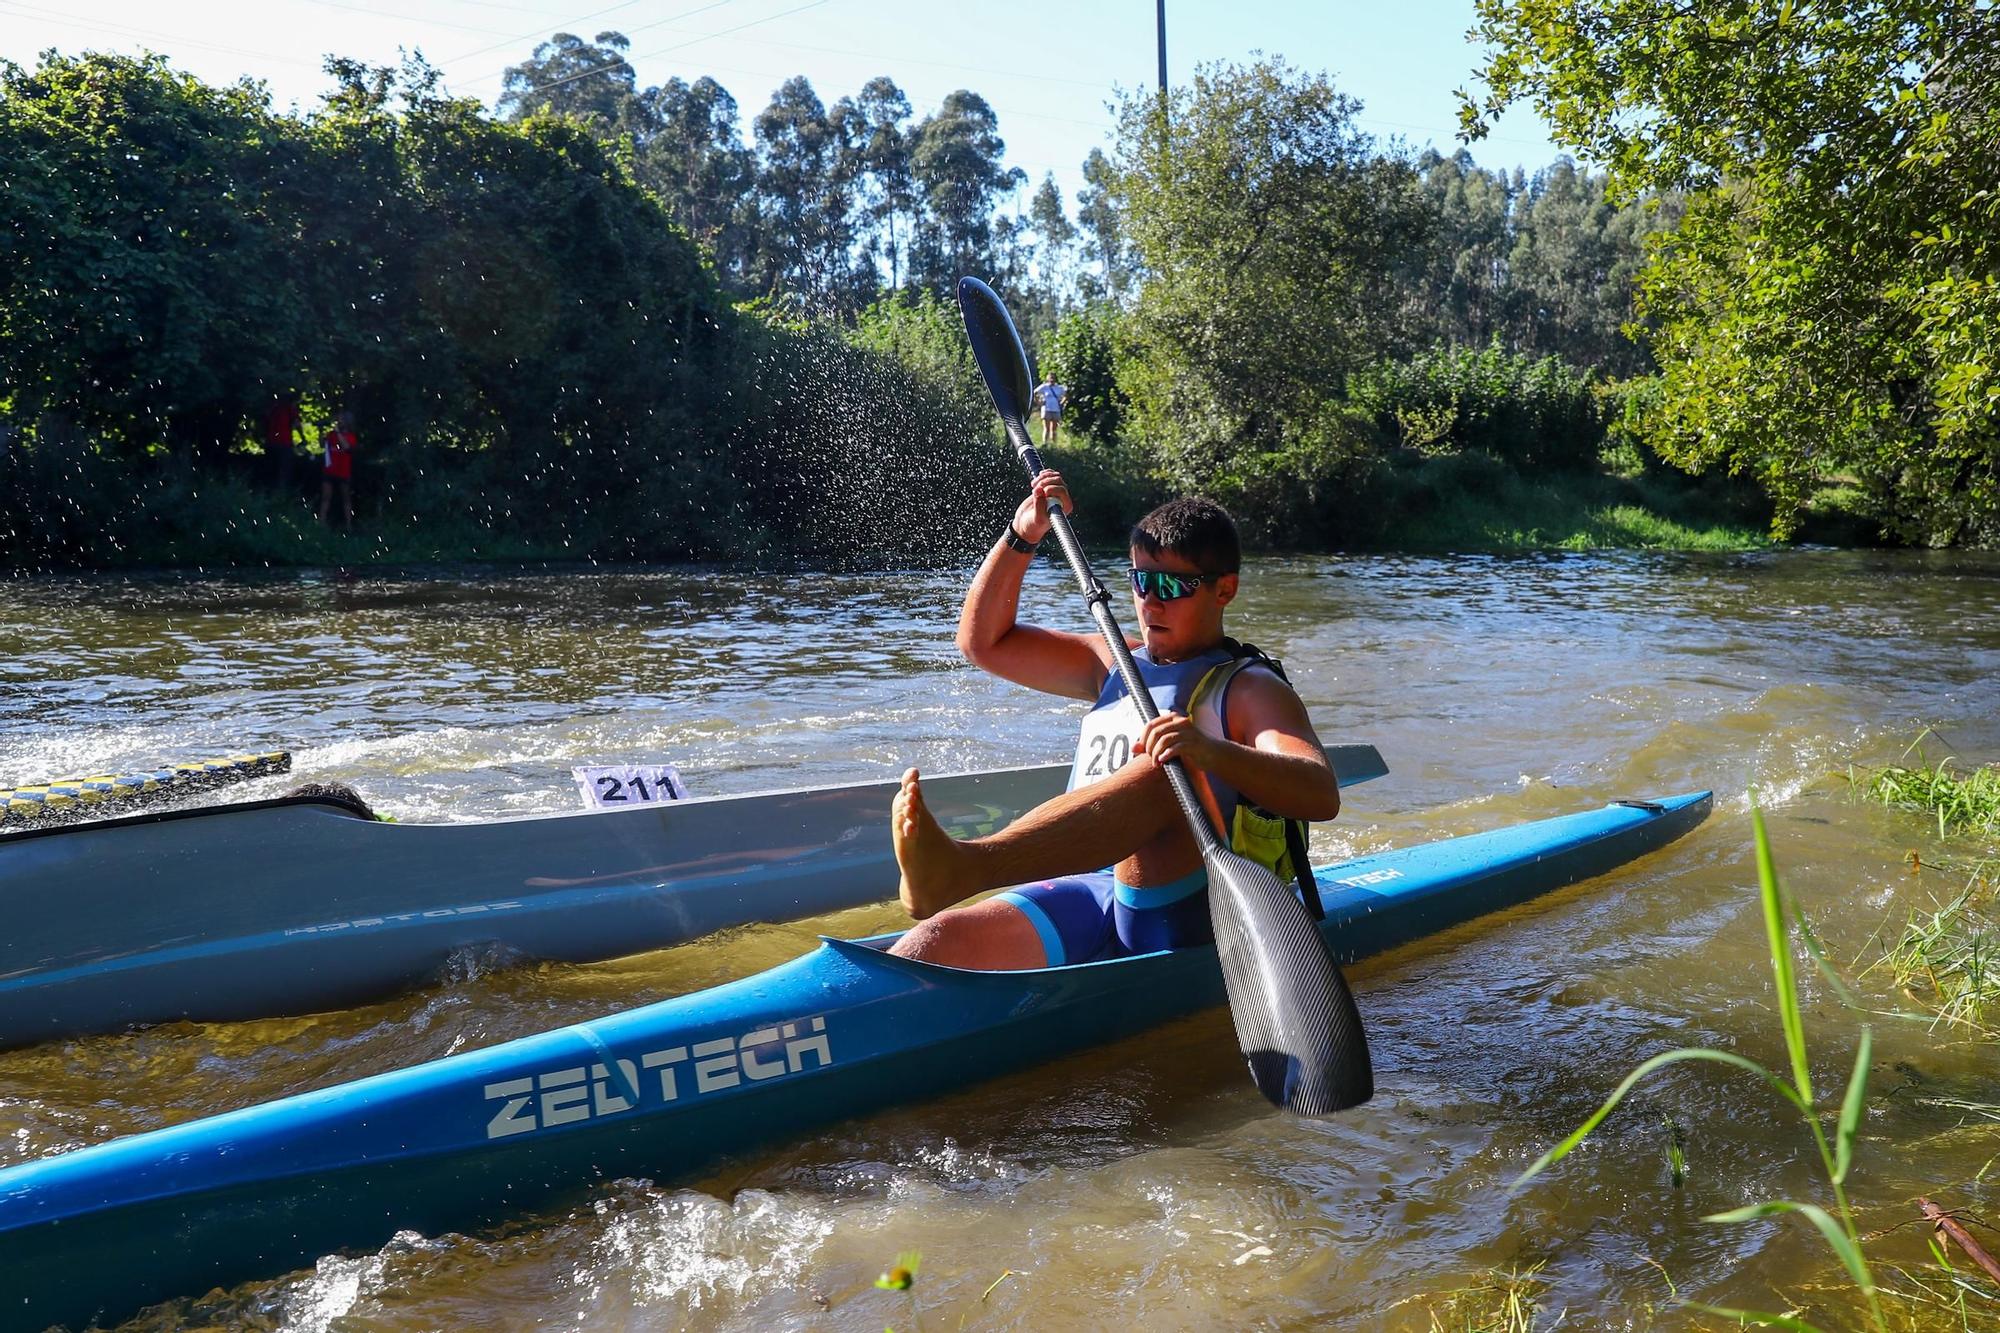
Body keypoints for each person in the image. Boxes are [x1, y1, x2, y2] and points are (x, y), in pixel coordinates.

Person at [887, 471, 1341, 971]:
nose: (1150, 600)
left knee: (1167, 770)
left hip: (1191, 899)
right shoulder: (1113, 660)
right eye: (1140, 580)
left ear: (1224, 590)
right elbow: (984, 643)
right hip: (1090, 883)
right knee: (932, 944)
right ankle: (950, 884)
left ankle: (967, 867)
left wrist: (1209, 752)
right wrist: (1022, 535)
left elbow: (1319, 791)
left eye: (1171, 584)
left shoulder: (1249, 687)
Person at [319, 410, 357, 528]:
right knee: (325, 497)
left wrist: (338, 433)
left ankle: (348, 525)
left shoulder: (351, 437)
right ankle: (320, 523)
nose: (338, 422)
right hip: (329, 471)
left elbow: (346, 447)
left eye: (341, 420)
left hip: (343, 471)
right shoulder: (331, 435)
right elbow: (322, 445)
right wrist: (321, 432)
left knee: (346, 498)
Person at [262, 396, 305, 495]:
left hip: (271, 442)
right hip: (284, 443)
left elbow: (265, 420)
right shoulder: (289, 407)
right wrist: (303, 438)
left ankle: (268, 495)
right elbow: (297, 423)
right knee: (284, 473)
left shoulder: (272, 407)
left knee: (271, 471)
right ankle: (281, 497)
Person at [1031, 376, 1067, 444]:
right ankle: (1045, 443)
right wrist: (1039, 402)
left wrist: (1062, 402)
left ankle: (1054, 443)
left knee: (1054, 428)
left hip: (1056, 409)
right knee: (1046, 428)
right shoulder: (1044, 387)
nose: (1052, 380)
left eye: (1053, 378)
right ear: (1047, 379)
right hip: (1046, 409)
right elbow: (1034, 393)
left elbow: (1066, 395)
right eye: (1050, 378)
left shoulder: (1059, 388)